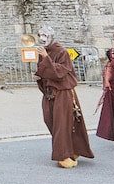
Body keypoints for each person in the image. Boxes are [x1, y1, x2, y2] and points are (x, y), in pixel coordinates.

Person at [33, 26, 94, 168]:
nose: (42, 38)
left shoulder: (61, 52)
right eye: (40, 35)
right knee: (51, 121)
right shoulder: (44, 52)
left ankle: (63, 155)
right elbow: (42, 70)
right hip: (50, 93)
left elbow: (60, 72)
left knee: (62, 124)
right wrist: (38, 77)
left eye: (45, 35)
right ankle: (71, 149)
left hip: (62, 92)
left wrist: (46, 58)